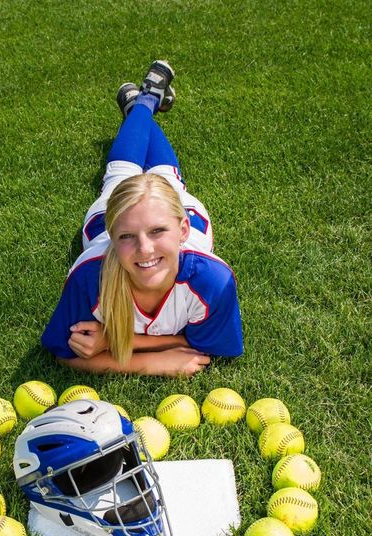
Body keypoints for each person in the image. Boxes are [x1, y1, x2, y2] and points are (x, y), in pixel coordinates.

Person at [42, 60, 243, 377]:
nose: (145, 249)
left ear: (182, 230)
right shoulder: (90, 278)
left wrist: (116, 340)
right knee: (120, 178)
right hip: (109, 213)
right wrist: (150, 362)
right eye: (126, 237)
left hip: (180, 208)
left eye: (158, 232)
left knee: (166, 179)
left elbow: (213, 349)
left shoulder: (212, 280)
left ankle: (144, 102)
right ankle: (147, 99)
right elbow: (65, 351)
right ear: (113, 236)